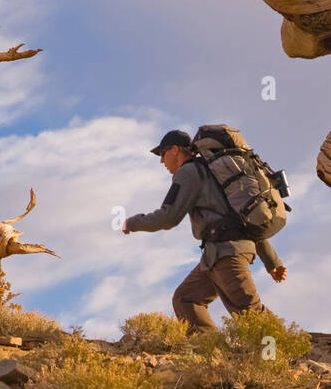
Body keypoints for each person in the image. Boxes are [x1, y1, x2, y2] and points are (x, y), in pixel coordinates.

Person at [123, 129, 287, 333]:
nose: (161, 161)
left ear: (175, 150)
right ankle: (211, 352)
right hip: (217, 255)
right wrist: (272, 261)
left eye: (162, 154)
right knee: (186, 298)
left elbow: (168, 217)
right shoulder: (211, 172)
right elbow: (239, 217)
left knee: (250, 315)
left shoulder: (189, 173)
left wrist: (131, 223)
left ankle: (292, 352)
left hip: (226, 254)